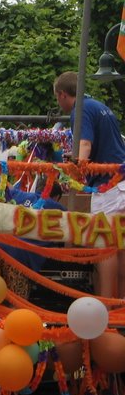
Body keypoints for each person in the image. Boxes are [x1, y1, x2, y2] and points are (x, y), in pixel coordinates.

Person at [54, 70, 125, 297]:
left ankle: (106, 305)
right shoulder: (100, 106)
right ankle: (120, 306)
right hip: (120, 180)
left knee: (105, 244)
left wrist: (75, 172)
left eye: (57, 97)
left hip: (109, 185)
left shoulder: (80, 110)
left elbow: (84, 144)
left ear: (62, 94)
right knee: (120, 244)